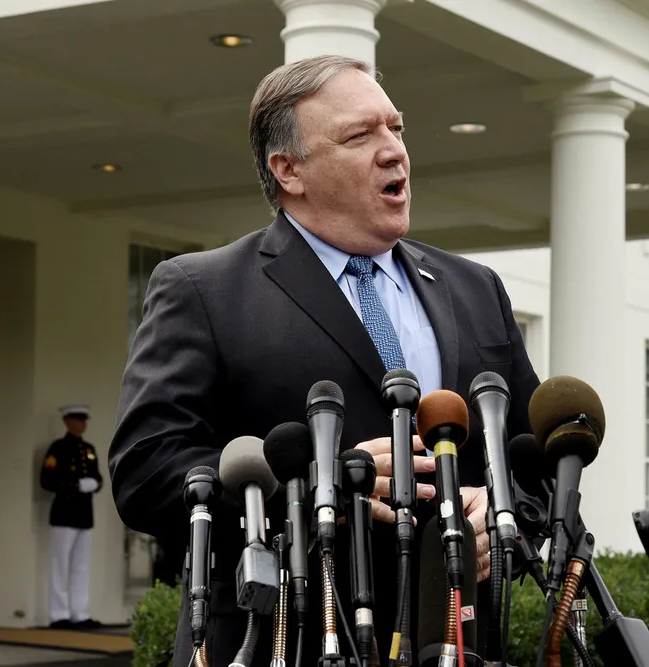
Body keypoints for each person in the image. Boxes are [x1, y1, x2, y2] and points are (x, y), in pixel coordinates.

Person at [108, 55, 539, 666]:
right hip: (282, 639)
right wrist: (318, 489)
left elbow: (534, 463)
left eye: (396, 128)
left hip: (455, 640)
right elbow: (146, 471)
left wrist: (503, 522)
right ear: (289, 170)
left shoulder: (475, 288)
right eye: (360, 135)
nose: (394, 151)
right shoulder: (204, 290)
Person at [40, 404, 103, 630]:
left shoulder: (89, 449)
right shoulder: (58, 448)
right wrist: (75, 486)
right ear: (67, 421)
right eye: (78, 419)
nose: (82, 423)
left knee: (81, 566)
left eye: (84, 419)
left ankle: (80, 613)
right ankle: (59, 614)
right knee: (60, 565)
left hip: (84, 514)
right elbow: (47, 480)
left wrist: (95, 484)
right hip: (64, 513)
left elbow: (97, 477)